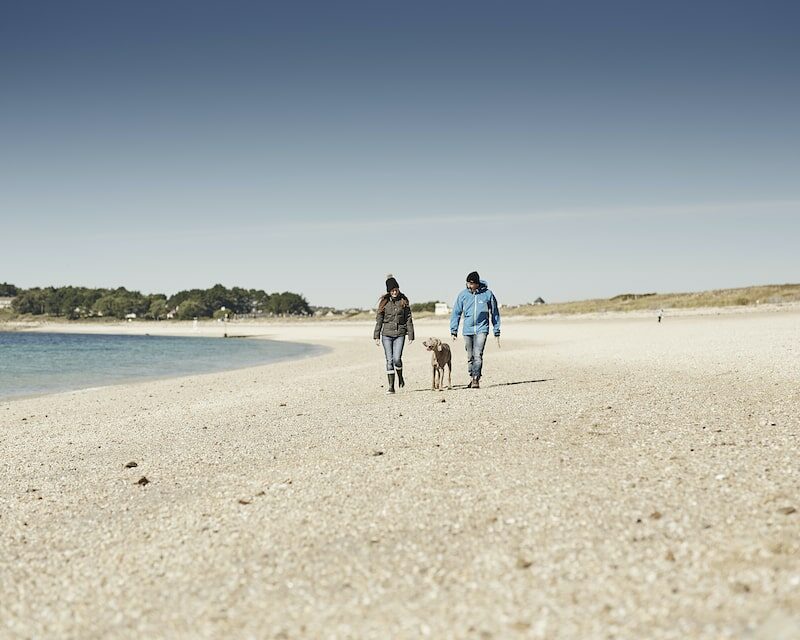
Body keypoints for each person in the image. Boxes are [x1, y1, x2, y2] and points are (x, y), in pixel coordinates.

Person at [450, 270, 500, 389]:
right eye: (468, 283)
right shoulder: (463, 295)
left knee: (478, 354)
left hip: (482, 328)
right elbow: (456, 313)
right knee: (470, 356)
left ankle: (476, 378)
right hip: (467, 330)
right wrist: (454, 330)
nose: (470, 286)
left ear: (477, 283)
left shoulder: (488, 294)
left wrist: (496, 330)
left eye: (472, 283)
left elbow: (495, 313)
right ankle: (472, 375)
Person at [374, 274, 414, 394]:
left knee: (397, 359)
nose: (394, 292)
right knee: (389, 360)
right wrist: (376, 335)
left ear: (398, 289)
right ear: (389, 291)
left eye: (396, 289)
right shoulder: (384, 303)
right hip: (386, 335)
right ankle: (391, 387)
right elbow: (379, 320)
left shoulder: (404, 301)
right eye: (392, 290)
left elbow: (408, 319)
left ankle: (400, 377)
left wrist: (411, 335)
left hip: (400, 334)